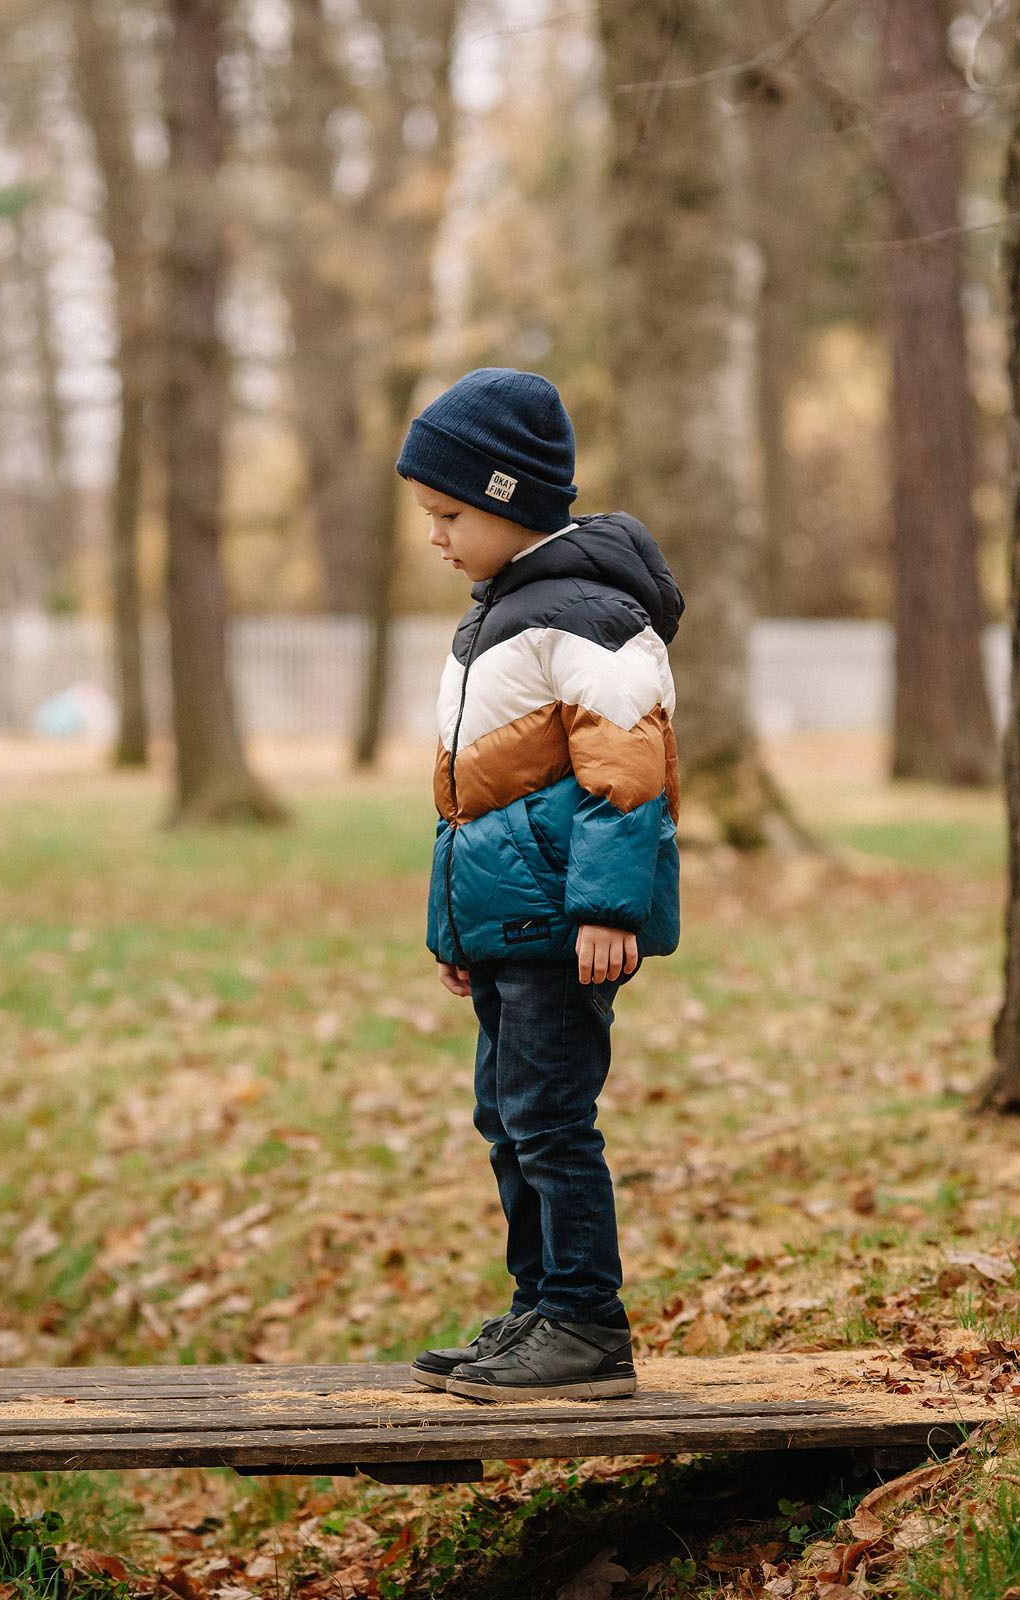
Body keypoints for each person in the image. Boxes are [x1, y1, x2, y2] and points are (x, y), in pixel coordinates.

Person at [393, 368, 683, 1402]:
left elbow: (628, 768)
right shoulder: (500, 616)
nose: (434, 535)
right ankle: (540, 1309)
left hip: (567, 926)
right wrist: (457, 932)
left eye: (449, 514)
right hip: (512, 925)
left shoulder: (586, 616)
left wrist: (607, 908)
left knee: (551, 1120)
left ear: (506, 497)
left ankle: (587, 1324)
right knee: (508, 1118)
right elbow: (473, 798)